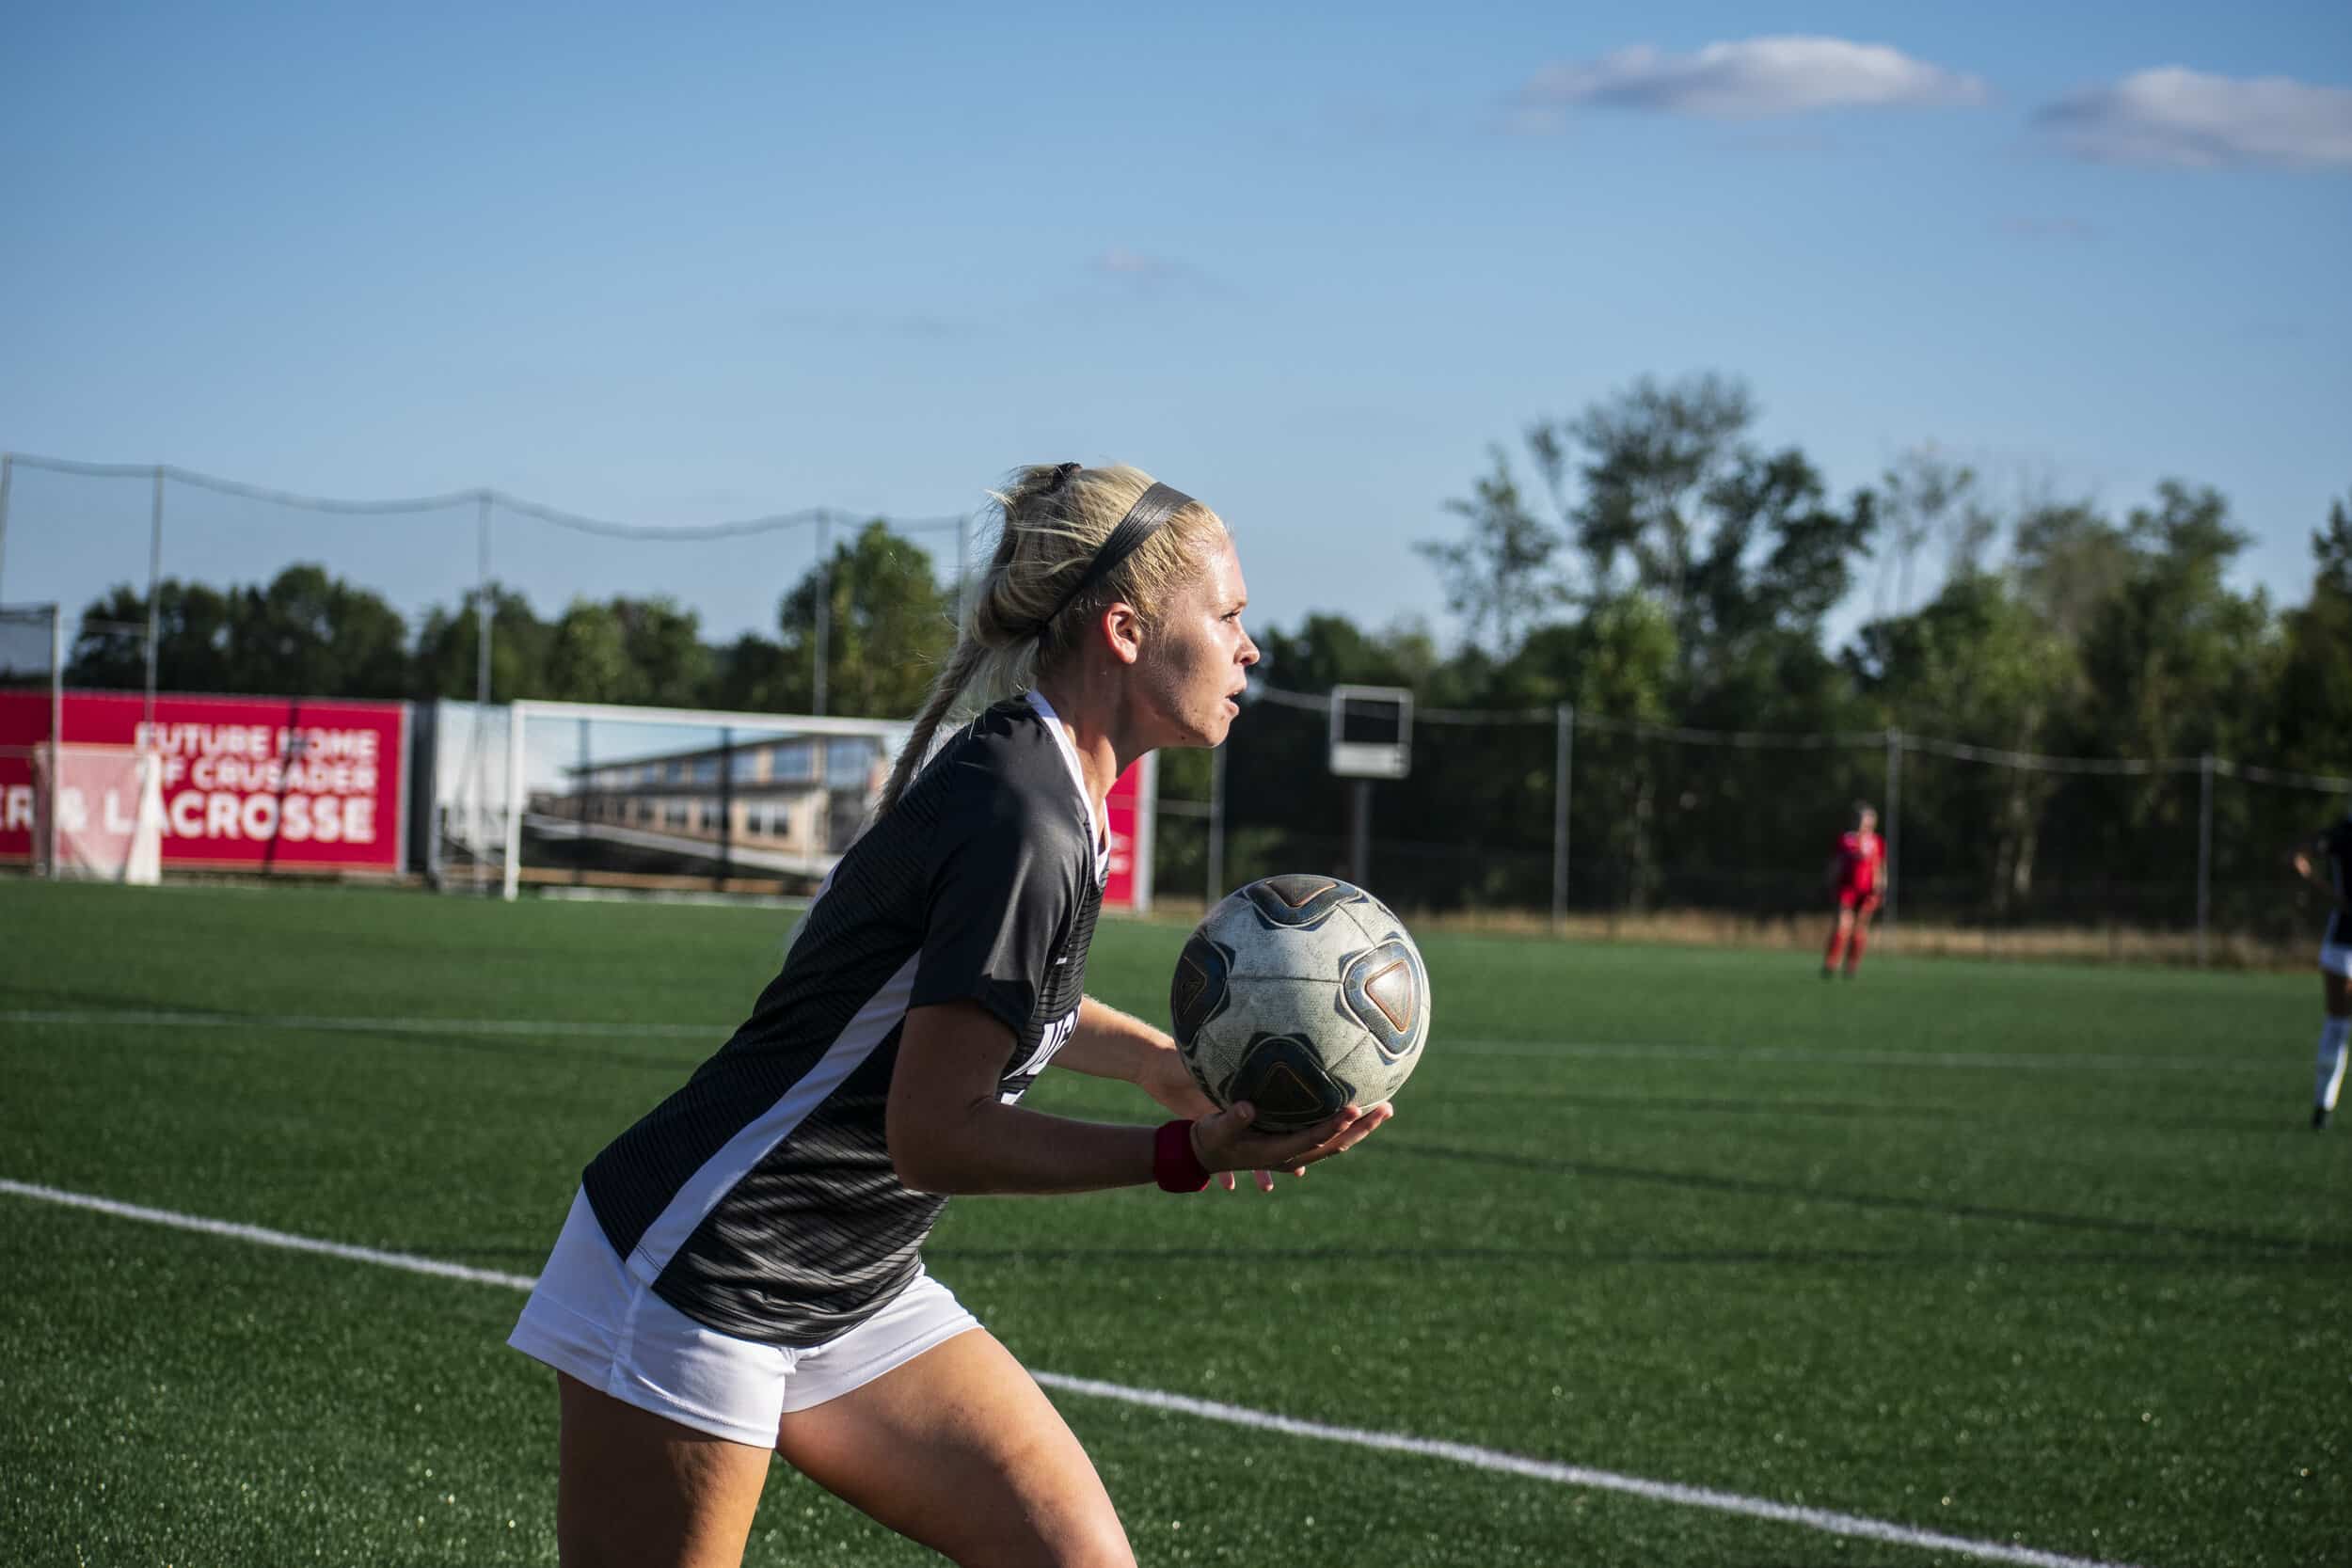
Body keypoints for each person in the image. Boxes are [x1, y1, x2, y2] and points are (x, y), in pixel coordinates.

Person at [505, 462, 1391, 1568]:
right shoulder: (1027, 815)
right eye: (1227, 616)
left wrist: (1161, 1063)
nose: (1249, 646)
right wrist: (1183, 1153)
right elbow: (934, 1130)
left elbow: (997, 1006)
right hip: (705, 1271)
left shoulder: (1052, 780)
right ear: (1123, 629)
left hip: (853, 1280)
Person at [2291, 806, 2352, 1130]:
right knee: (2338, 1026)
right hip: (2344, 942)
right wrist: (2332, 895)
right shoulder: (2343, 833)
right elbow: (2299, 857)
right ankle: (2322, 1107)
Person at [1820, 802, 1886, 980]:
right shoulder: (1846, 840)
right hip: (1847, 888)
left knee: (1860, 929)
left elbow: (1879, 866)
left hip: (1867, 891)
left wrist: (1880, 888)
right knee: (1843, 925)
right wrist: (1829, 883)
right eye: (1862, 820)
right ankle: (1831, 963)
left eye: (1869, 820)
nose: (1865, 824)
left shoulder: (1876, 841)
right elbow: (1836, 865)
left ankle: (1852, 966)